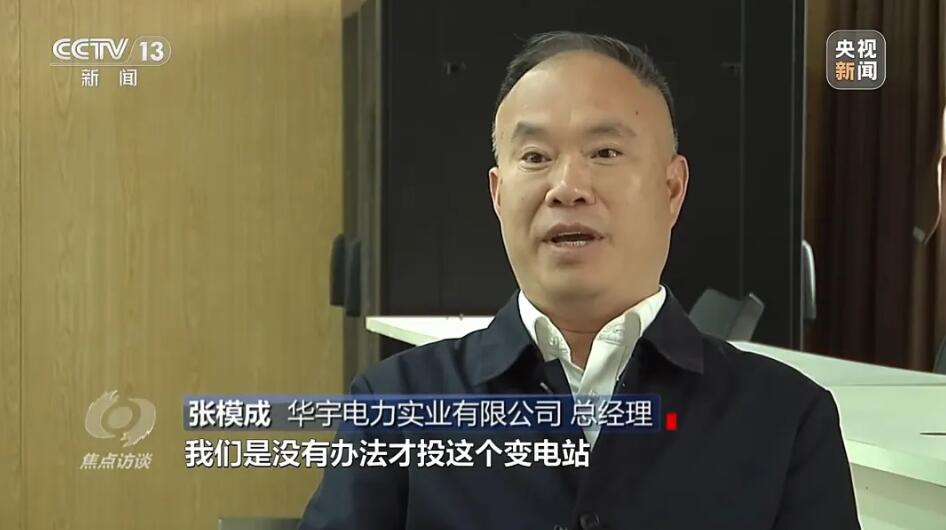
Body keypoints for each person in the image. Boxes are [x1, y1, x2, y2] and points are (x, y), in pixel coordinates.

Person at [299, 31, 861, 530]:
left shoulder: (787, 418)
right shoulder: (393, 406)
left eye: (605, 152)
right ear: (498, 194)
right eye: (535, 156)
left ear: (672, 189)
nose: (567, 187)